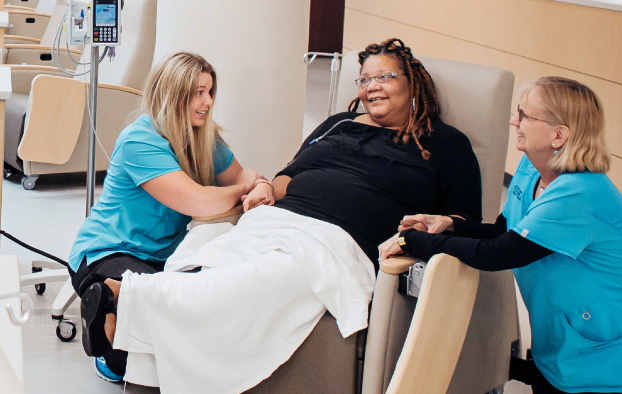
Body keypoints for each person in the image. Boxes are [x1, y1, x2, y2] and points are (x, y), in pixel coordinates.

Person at [78, 38, 483, 393]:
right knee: (199, 261)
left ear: (413, 83)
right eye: (364, 79)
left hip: (334, 241)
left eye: (385, 77)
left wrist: (443, 223)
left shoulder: (446, 143)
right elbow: (286, 175)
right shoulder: (338, 124)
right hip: (272, 220)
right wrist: (267, 188)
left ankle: (123, 299)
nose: (371, 86)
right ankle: (142, 351)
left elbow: (467, 217)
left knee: (256, 280)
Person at [378, 76, 622, 394]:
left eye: (524, 115)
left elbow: (500, 253)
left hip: (614, 356)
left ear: (559, 134)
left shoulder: (579, 193)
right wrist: (447, 224)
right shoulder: (532, 168)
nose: (512, 120)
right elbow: (503, 232)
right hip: (565, 346)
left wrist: (414, 241)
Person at [68, 52, 270, 382]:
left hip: (163, 258)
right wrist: (244, 185)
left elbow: (242, 179)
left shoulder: (204, 137)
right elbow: (200, 203)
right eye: (198, 93)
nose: (207, 102)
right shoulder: (140, 140)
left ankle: (121, 316)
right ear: (173, 94)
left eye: (210, 92)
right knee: (132, 361)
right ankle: (107, 339)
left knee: (191, 311)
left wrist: (260, 185)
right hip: (108, 253)